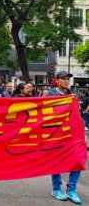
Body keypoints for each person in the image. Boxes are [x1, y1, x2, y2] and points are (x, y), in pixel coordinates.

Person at [46, 71, 83, 204]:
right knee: (57, 161)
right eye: (63, 79)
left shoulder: (73, 94)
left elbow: (77, 113)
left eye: (68, 79)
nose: (66, 81)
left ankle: (71, 190)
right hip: (56, 133)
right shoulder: (50, 94)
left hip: (73, 133)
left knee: (78, 160)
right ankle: (56, 189)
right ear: (56, 80)